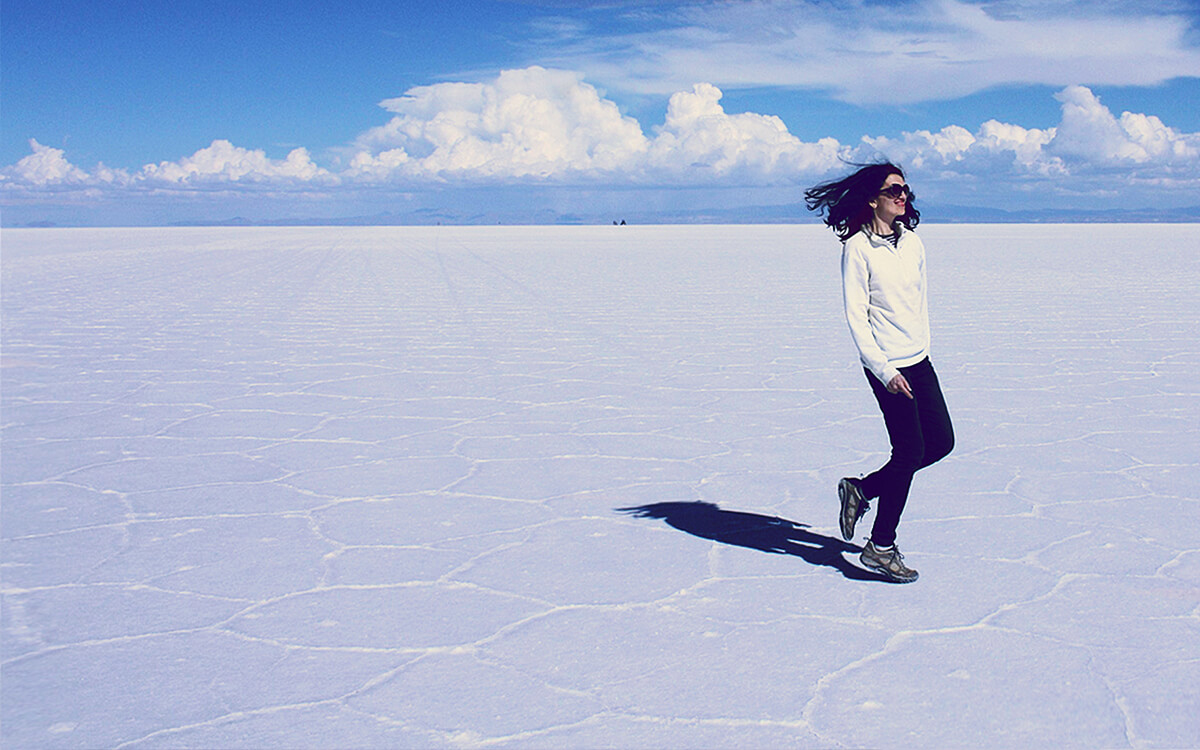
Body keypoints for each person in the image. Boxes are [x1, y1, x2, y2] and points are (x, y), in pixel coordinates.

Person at [805, 162, 954, 583]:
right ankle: (881, 546)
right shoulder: (857, 248)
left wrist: (921, 350)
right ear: (873, 199)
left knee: (940, 443)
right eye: (893, 190)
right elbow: (857, 317)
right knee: (908, 452)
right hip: (886, 365)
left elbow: (918, 302)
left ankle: (862, 490)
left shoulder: (914, 244)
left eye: (906, 189)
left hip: (918, 359)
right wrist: (885, 370)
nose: (903, 196)